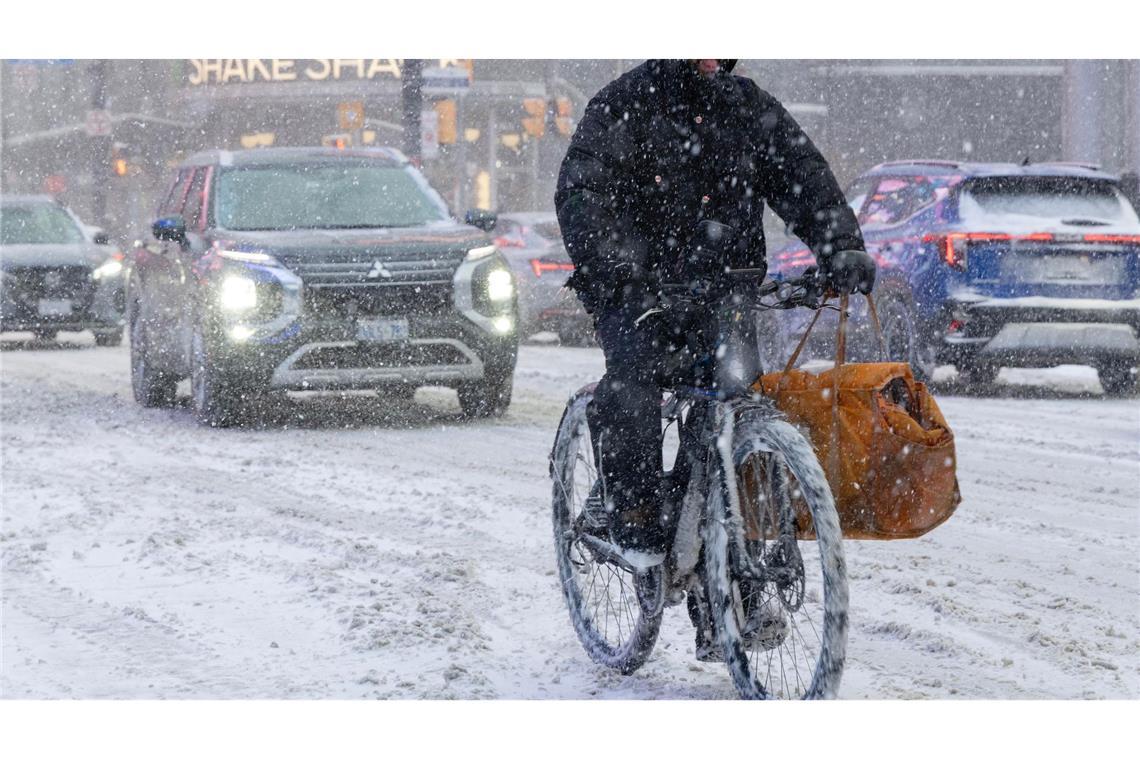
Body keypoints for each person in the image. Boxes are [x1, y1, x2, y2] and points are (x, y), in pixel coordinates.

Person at [555, 59, 875, 569]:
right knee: (635, 385)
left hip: (725, 291)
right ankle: (634, 515)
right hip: (638, 291)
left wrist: (840, 247)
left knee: (735, 401)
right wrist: (621, 272)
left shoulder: (748, 106)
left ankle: (718, 585)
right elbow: (583, 195)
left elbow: (802, 176)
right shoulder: (625, 102)